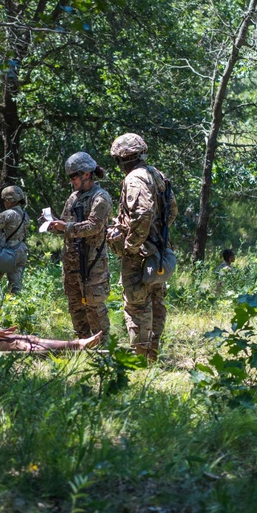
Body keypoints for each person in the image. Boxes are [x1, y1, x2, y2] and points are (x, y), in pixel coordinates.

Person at [106, 133, 177, 362]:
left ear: (122, 158)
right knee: (157, 302)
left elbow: (143, 212)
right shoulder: (157, 175)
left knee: (137, 306)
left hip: (141, 254)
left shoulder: (134, 179)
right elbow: (172, 210)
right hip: (159, 251)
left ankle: (140, 359)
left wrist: (131, 245)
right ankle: (152, 355)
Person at [47, 152, 113, 344]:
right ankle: (82, 344)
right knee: (75, 305)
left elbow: (94, 226)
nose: (72, 181)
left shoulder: (100, 197)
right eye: (69, 177)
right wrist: (54, 226)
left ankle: (102, 347)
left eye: (74, 176)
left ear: (86, 174)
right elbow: (67, 225)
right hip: (72, 262)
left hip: (92, 261)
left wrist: (66, 227)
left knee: (94, 305)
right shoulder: (73, 198)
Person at [0, 185, 30, 294]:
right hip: (22, 251)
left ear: (10, 200)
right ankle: (16, 306)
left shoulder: (6, 214)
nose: (4, 203)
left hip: (8, 253)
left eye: (5, 200)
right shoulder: (25, 215)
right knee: (16, 283)